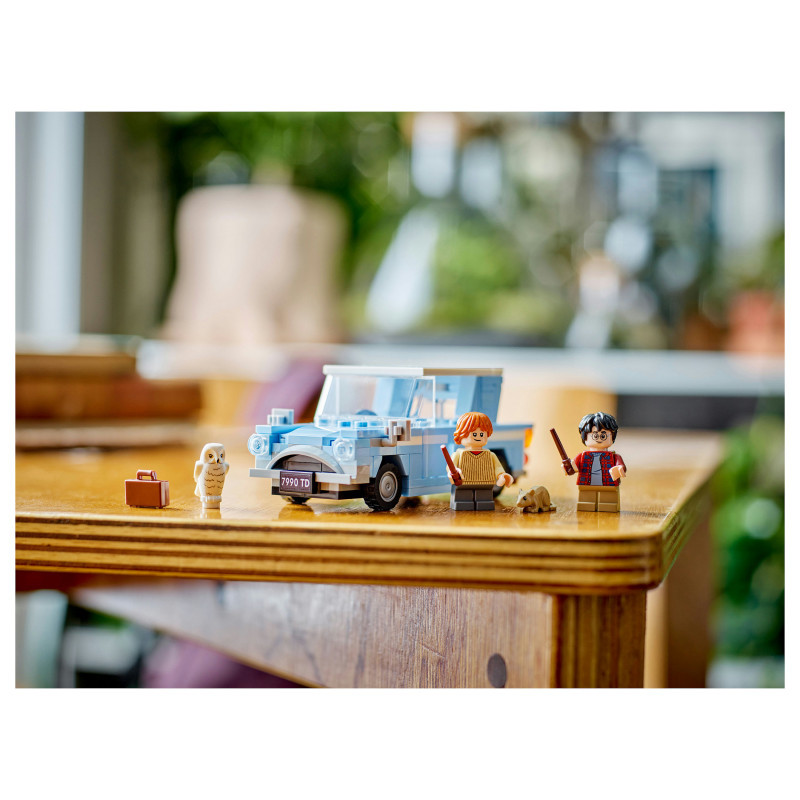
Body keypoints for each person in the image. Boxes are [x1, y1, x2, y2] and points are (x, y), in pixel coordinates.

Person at [448, 412, 513, 511]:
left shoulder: (490, 455)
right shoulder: (458, 454)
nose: (478, 437)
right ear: (461, 434)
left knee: (484, 501)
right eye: (474, 434)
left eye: (482, 434)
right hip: (464, 485)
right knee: (463, 501)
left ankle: (484, 504)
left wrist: (501, 475)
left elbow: (498, 467)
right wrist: (453, 472)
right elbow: (450, 467)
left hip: (485, 484)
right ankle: (463, 504)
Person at [565, 411, 626, 512]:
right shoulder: (582, 456)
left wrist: (619, 469)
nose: (599, 438)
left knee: (608, 500)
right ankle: (586, 505)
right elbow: (573, 467)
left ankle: (608, 506)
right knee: (586, 500)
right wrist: (568, 467)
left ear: (612, 436)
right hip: (586, 483)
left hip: (608, 484)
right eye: (595, 435)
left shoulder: (614, 457)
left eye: (603, 436)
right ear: (585, 436)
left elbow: (621, 467)